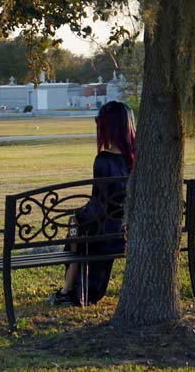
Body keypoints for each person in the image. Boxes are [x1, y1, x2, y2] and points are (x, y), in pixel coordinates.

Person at [49, 100, 136, 306]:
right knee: (79, 230)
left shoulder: (103, 160)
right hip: (126, 229)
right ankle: (69, 289)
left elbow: (98, 204)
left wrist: (78, 215)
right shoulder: (135, 159)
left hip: (105, 234)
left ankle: (67, 290)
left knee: (76, 230)